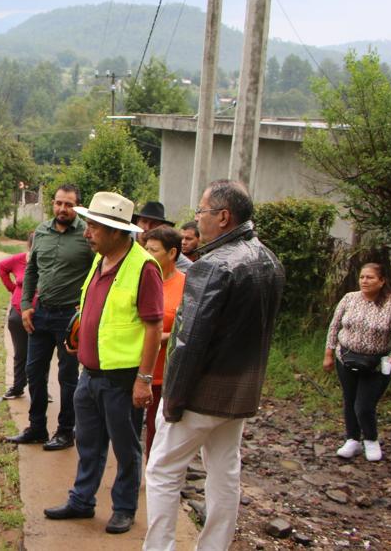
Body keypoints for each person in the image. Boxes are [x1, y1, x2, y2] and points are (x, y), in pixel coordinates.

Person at [144, 180, 285, 551]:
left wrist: (172, 399)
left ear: (223, 217)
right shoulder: (270, 260)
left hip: (200, 392)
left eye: (201, 212)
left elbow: (188, 341)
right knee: (225, 472)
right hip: (241, 392)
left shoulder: (212, 265)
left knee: (162, 470)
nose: (197, 219)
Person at [44, 192, 163, 535]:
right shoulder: (101, 259)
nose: (87, 232)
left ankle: (124, 508)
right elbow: (94, 308)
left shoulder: (143, 268)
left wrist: (144, 379)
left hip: (121, 378)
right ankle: (82, 500)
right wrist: (79, 336)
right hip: (90, 373)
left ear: (116, 231)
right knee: (88, 443)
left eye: (94, 227)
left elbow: (154, 326)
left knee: (125, 448)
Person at [6, 184, 93, 451]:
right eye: (58, 203)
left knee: (67, 376)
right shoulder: (42, 231)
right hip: (41, 313)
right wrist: (25, 305)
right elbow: (31, 270)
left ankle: (66, 431)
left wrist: (85, 309)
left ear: (78, 206)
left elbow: (98, 273)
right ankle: (37, 427)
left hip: (70, 317)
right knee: (34, 371)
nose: (62, 209)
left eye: (69, 204)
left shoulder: (87, 235)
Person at [324, 262, 391, 462]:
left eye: (370, 277)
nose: (364, 281)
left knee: (364, 405)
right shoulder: (349, 298)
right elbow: (334, 326)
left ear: (382, 281)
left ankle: (371, 439)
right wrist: (329, 354)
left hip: (376, 363)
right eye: (362, 277)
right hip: (346, 358)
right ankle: (352, 439)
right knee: (350, 399)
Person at [141, 226, 186, 458]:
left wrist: (161, 337)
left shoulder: (186, 286)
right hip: (132, 367)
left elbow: (189, 328)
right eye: (146, 249)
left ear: (172, 253)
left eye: (154, 250)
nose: (147, 255)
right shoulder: (139, 279)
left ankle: (152, 472)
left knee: (157, 430)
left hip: (163, 374)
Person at [0, 232, 33, 400]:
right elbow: (1, 267)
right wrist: (12, 288)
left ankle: (40, 388)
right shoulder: (19, 259)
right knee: (20, 353)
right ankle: (18, 387)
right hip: (18, 314)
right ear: (29, 246)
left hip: (41, 313)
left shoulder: (49, 262)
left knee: (41, 354)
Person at [133, 201, 193, 272]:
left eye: (154, 223)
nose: (147, 227)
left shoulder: (166, 247)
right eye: (144, 221)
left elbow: (192, 268)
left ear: (161, 227)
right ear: (137, 222)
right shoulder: (126, 240)